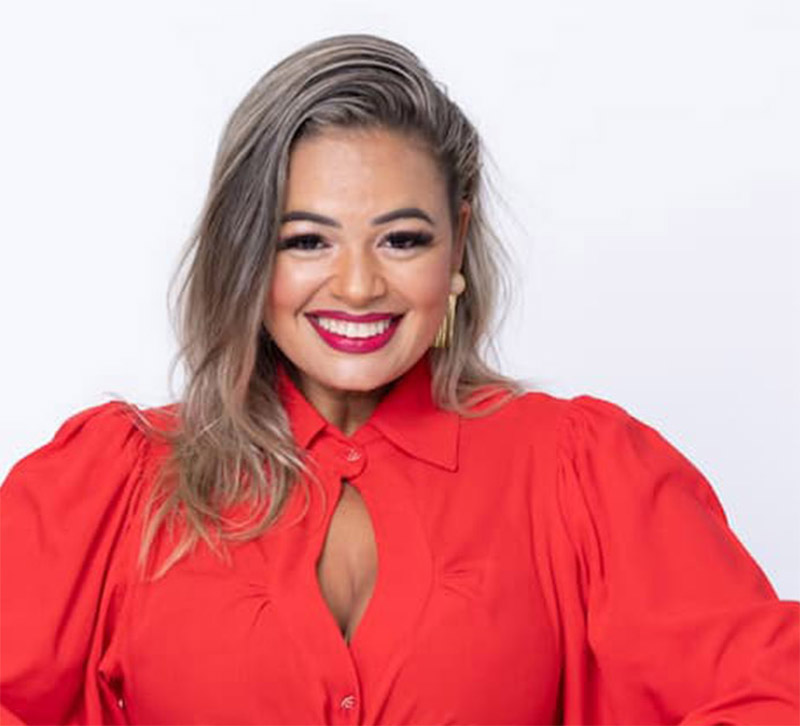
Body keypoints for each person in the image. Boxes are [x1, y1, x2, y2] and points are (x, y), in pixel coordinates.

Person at [1, 32, 797, 726]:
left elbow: (774, 693)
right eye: (307, 240)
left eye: (402, 239)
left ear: (457, 241)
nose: (357, 287)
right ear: (247, 253)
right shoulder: (117, 483)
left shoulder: (580, 470)